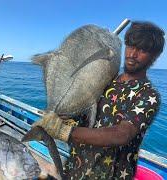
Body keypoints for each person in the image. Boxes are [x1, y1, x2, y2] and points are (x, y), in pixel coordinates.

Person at [33, 21, 164, 179]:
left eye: (142, 50)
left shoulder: (148, 95)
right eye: (130, 46)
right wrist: (61, 118)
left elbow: (122, 134)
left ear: (154, 57)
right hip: (75, 170)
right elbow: (86, 117)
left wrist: (65, 131)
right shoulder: (106, 80)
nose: (132, 54)